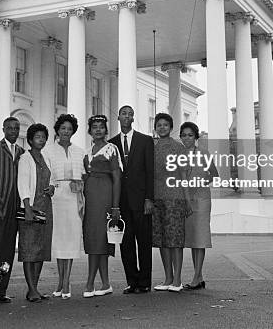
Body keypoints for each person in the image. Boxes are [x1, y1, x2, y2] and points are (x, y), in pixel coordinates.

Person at [108, 105, 154, 294]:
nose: (127, 117)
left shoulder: (145, 141)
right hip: (122, 202)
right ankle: (132, 282)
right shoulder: (111, 144)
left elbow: (150, 172)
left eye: (130, 114)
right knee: (126, 243)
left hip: (142, 200)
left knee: (143, 242)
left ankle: (144, 282)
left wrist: (149, 198)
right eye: (123, 114)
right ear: (118, 117)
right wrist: (113, 204)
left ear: (133, 118)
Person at [43, 114, 85, 299]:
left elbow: (85, 174)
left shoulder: (80, 151)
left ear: (73, 131)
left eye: (69, 129)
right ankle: (60, 281)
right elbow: (47, 174)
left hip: (74, 196)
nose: (66, 131)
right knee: (60, 240)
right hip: (58, 197)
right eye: (63, 128)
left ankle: (67, 282)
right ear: (58, 130)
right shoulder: (48, 151)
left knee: (71, 239)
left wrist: (80, 183)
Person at [0, 117, 24, 305]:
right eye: (10, 128)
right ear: (3, 129)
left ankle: (1, 290)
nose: (13, 131)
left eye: (16, 128)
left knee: (8, 252)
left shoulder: (22, 153)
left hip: (15, 209)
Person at [151, 113, 192, 293]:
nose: (162, 128)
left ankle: (177, 279)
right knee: (162, 240)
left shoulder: (178, 146)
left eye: (165, 125)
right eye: (159, 125)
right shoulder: (151, 147)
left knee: (175, 239)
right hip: (157, 198)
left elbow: (184, 174)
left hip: (175, 197)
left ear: (171, 127)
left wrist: (187, 200)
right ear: (155, 127)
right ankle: (168, 277)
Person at [82, 115, 122, 298]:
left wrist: (115, 206)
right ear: (89, 130)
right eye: (94, 127)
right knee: (93, 239)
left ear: (106, 130)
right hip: (90, 197)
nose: (98, 129)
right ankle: (105, 283)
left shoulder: (112, 149)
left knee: (101, 239)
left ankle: (91, 282)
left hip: (105, 195)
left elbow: (117, 178)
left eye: (101, 127)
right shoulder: (87, 151)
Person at [17, 123, 55, 302]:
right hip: (31, 208)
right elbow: (22, 183)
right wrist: (27, 208)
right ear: (30, 139)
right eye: (38, 137)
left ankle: (35, 288)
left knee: (41, 249)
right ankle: (31, 289)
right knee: (29, 249)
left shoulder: (46, 158)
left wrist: (51, 188)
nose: (41, 140)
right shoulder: (26, 158)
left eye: (44, 137)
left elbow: (51, 179)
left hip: (46, 207)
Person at [180, 121, 216, 289]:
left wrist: (201, 180)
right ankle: (199, 277)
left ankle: (196, 277)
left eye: (190, 135)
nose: (187, 138)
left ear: (196, 137)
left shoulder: (203, 153)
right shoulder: (178, 155)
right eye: (184, 135)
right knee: (193, 238)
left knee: (200, 237)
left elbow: (214, 175)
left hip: (201, 199)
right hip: (185, 199)